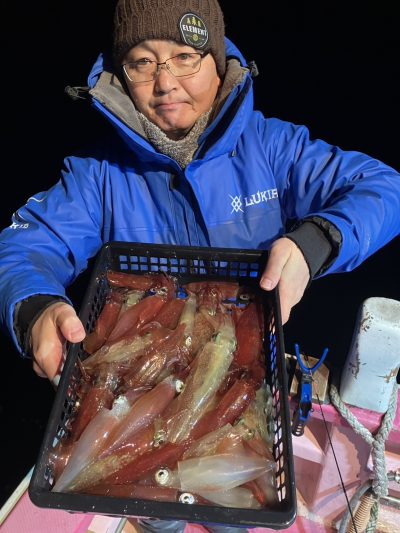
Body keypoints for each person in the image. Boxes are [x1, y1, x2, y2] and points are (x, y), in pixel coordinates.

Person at [0, 0, 399, 530]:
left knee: (239, 511)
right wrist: (34, 308)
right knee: (155, 510)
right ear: (121, 74)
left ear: (217, 62)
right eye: (142, 62)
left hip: (252, 369)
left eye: (185, 57)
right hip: (149, 382)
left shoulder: (272, 148)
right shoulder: (98, 174)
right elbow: (26, 244)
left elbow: (385, 188)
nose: (165, 82)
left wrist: (313, 243)